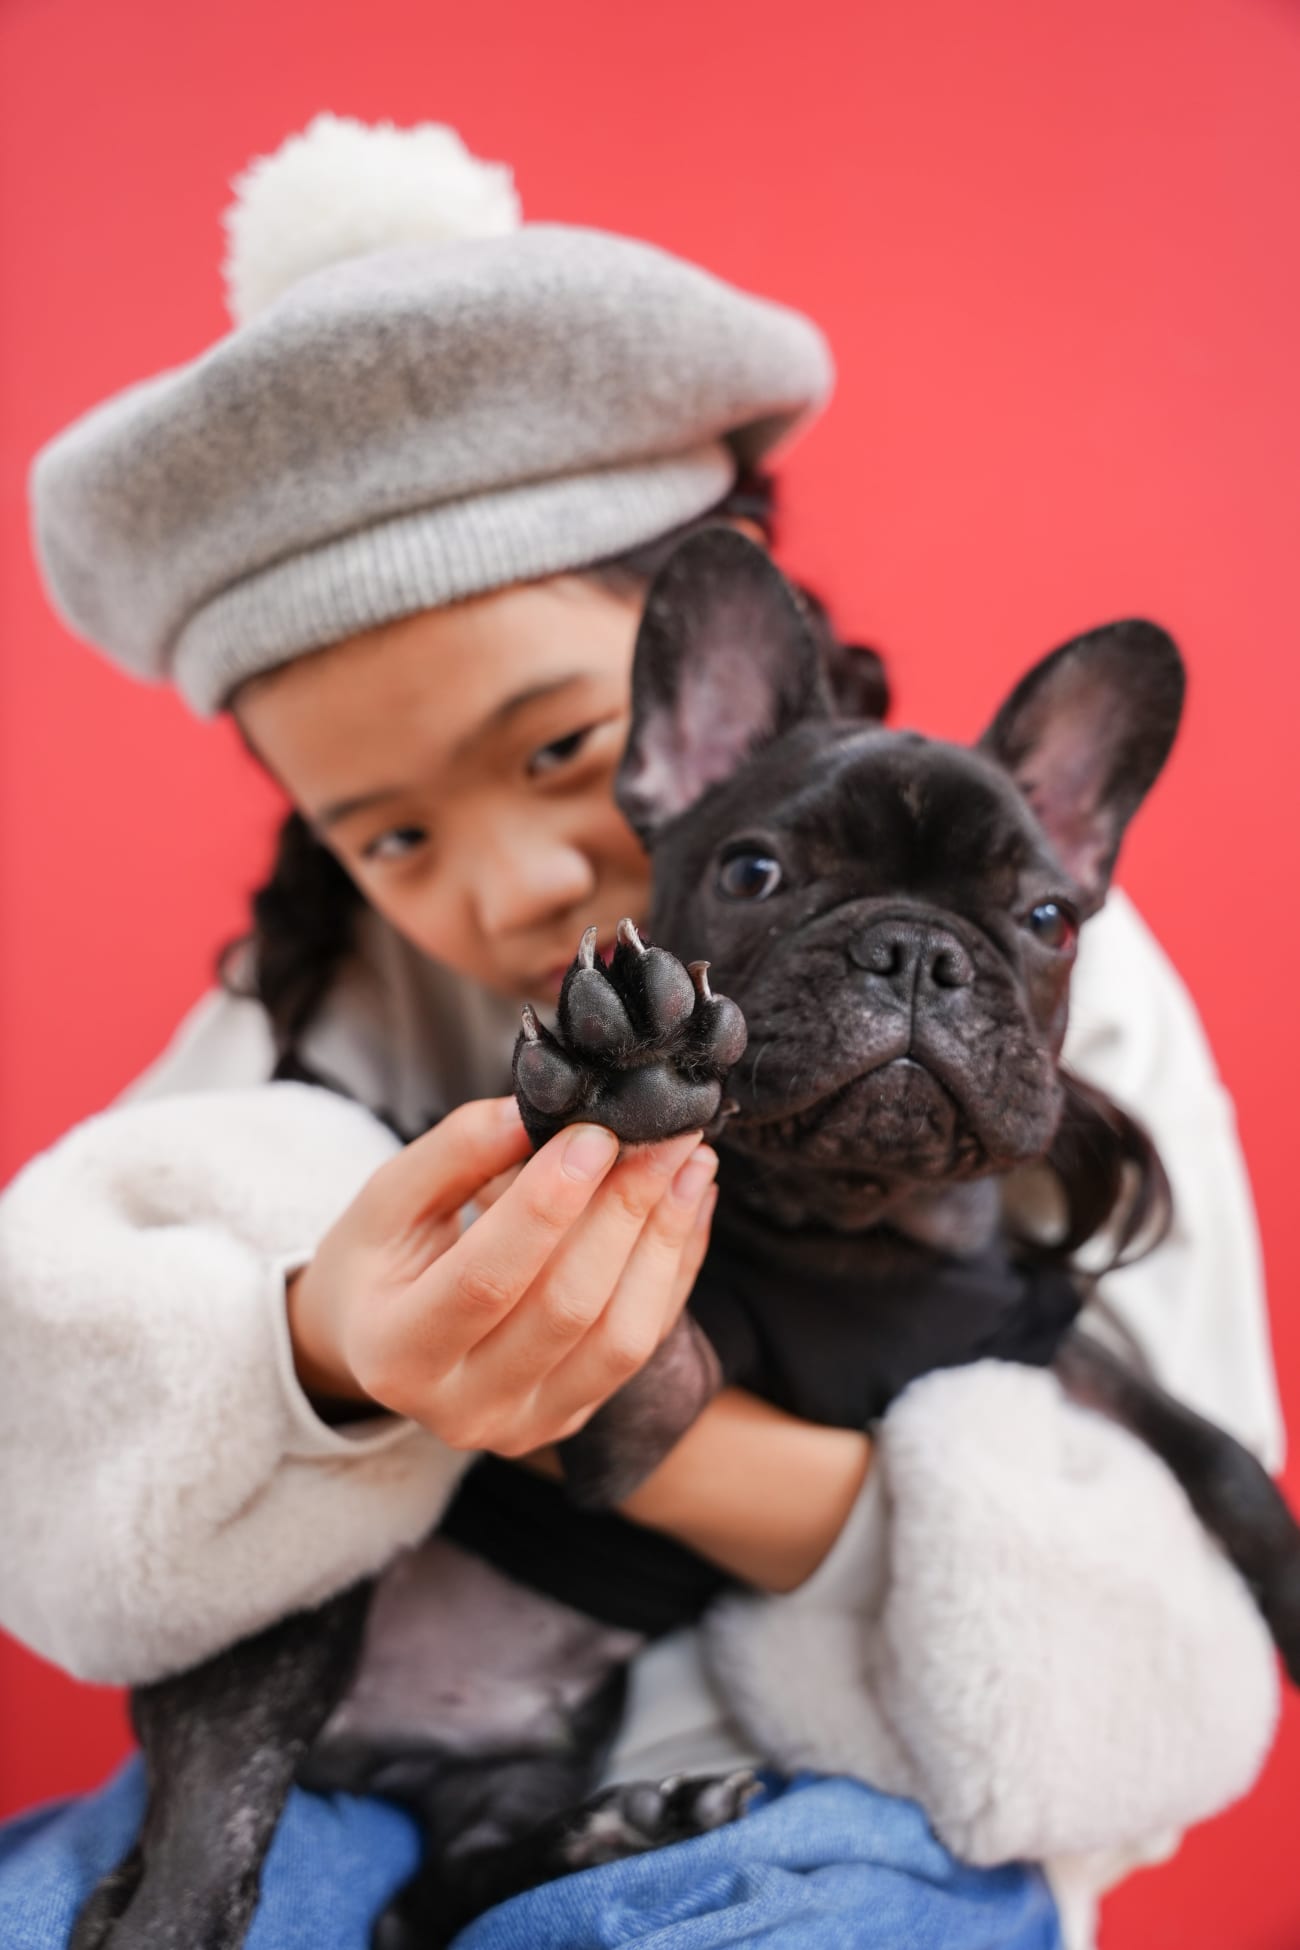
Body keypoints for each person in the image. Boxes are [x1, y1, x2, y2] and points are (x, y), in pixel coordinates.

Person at [0, 115, 1285, 1950]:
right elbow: (52, 1434)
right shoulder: (315, 1011)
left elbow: (1166, 1645)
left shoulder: (1039, 960)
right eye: (391, 834)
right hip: (373, 1729)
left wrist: (629, 1429)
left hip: (843, 1800)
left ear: (704, 718)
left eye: (550, 753)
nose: (513, 880)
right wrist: (327, 1354)